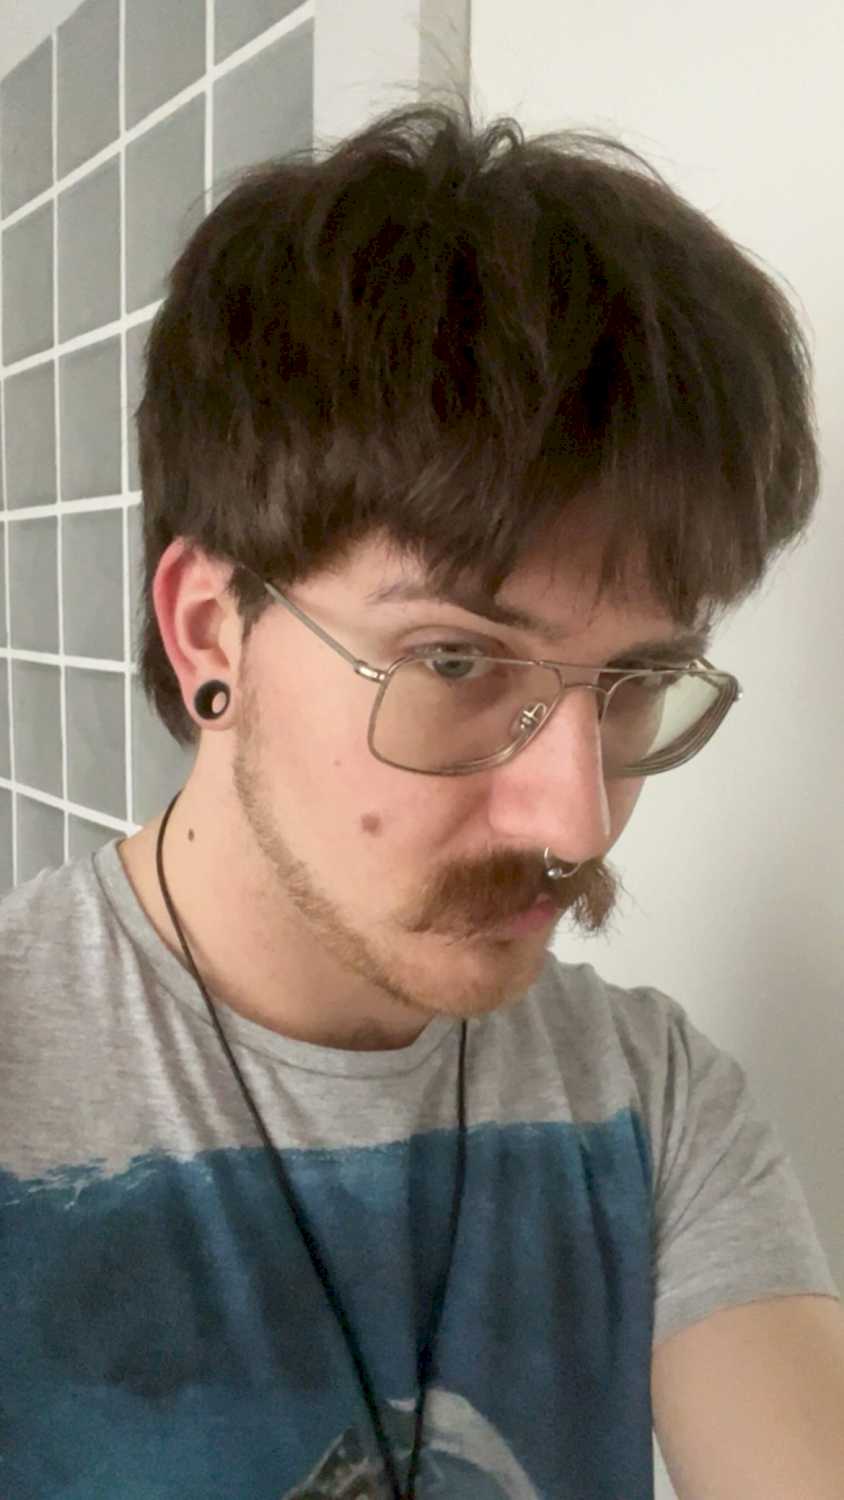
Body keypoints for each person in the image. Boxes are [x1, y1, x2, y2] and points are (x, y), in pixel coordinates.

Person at [1, 101, 841, 1499]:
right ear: (210, 631)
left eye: (639, 680)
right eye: (455, 662)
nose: (575, 823)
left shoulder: (648, 1103)